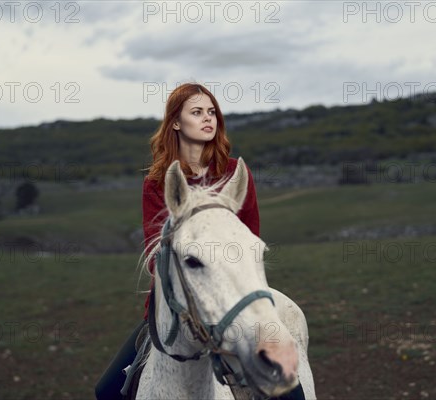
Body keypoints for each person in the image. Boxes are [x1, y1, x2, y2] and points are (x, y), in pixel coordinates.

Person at [95, 83, 304, 400]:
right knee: (108, 392)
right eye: (197, 112)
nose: (209, 119)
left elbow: (249, 244)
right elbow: (156, 258)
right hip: (177, 307)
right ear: (176, 122)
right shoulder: (157, 182)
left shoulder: (235, 173)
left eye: (212, 112)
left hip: (235, 298)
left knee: (289, 393)